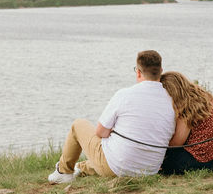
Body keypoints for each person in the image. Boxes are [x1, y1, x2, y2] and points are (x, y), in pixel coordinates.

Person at [48, 50, 176, 183]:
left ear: (138, 71)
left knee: (78, 125)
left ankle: (63, 172)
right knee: (118, 150)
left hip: (118, 168)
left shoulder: (125, 95)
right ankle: (81, 168)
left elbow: (101, 132)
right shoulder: (171, 101)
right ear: (161, 70)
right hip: (149, 170)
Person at [159, 71, 213, 175]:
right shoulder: (203, 96)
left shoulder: (186, 106)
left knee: (157, 157)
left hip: (199, 161)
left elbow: (176, 143)